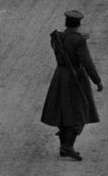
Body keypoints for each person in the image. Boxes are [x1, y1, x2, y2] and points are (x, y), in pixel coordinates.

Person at [41, 10, 102, 159]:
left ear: (66, 23)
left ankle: (63, 145)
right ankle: (68, 146)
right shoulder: (78, 40)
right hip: (75, 78)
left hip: (60, 76)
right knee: (80, 111)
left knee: (63, 111)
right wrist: (97, 80)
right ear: (79, 24)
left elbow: (67, 42)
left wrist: (80, 39)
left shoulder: (58, 38)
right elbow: (87, 62)